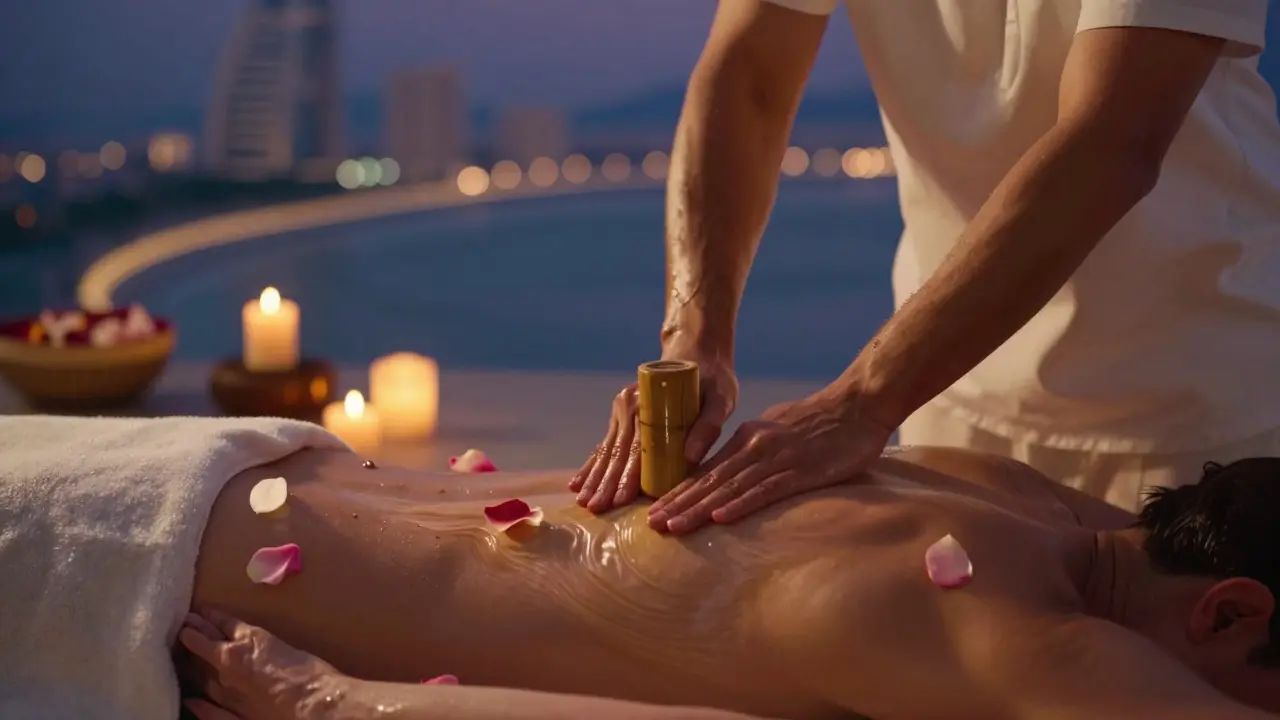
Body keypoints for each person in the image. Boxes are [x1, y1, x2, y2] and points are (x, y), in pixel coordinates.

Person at [571, 0, 1280, 533]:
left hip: (1196, 406)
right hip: (943, 395)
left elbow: (1113, 139)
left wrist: (857, 402)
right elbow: (750, 72)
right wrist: (694, 336)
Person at [174, 444, 1280, 719]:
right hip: (175, 599)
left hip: (243, 473)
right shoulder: (1027, 640)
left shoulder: (1005, 488)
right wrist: (343, 704)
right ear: (1227, 606)